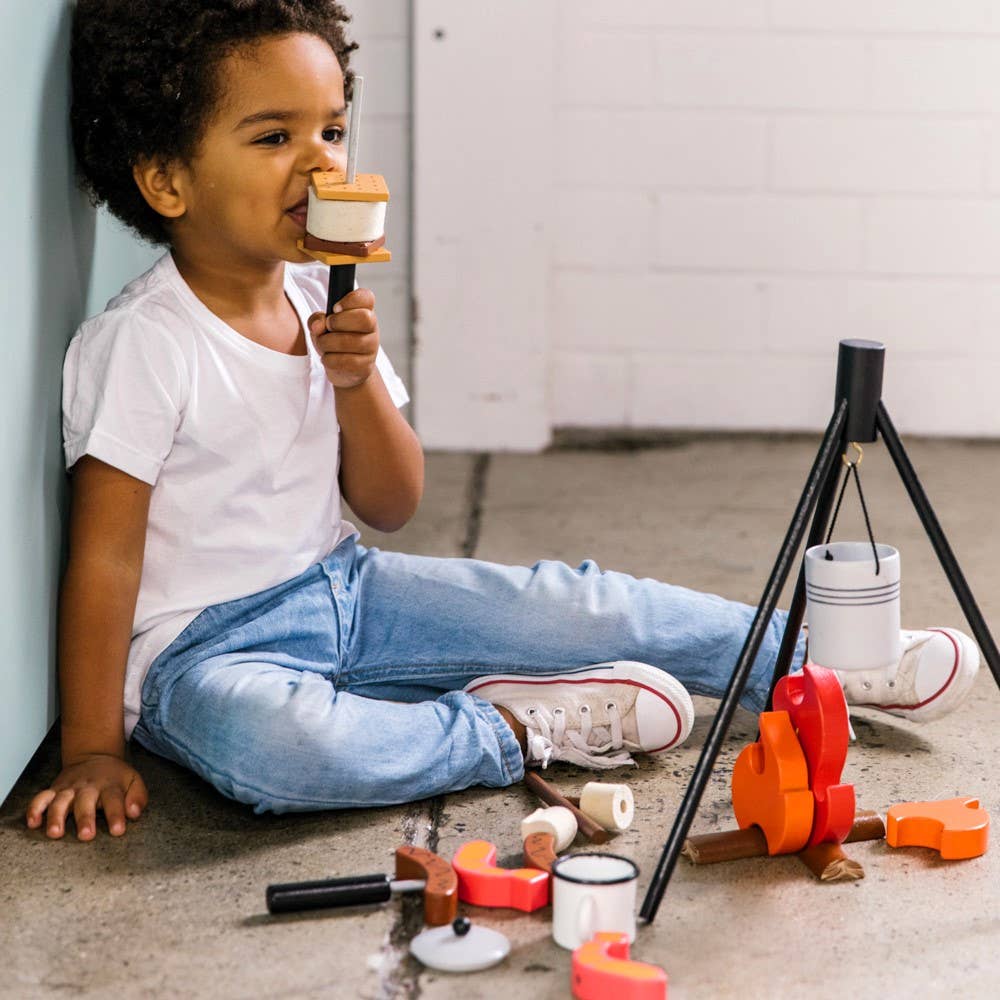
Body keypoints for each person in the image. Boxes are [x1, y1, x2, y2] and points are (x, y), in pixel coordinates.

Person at [27, 0, 980, 841]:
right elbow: (105, 560)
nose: (321, 160)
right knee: (277, 747)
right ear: (167, 181)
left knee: (576, 601)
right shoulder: (145, 343)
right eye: (274, 137)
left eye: (332, 128)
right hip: (203, 654)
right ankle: (515, 728)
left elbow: (393, 502)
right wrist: (90, 748)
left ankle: (819, 658)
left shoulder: (324, 297)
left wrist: (355, 382)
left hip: (344, 591)